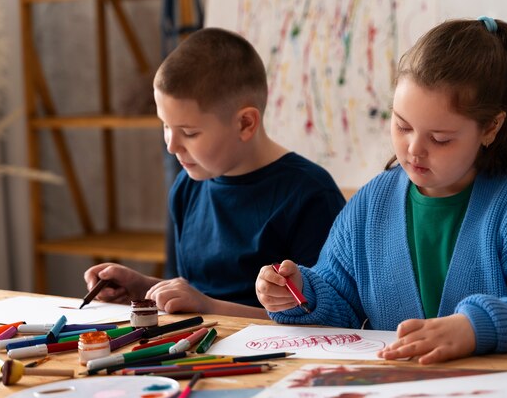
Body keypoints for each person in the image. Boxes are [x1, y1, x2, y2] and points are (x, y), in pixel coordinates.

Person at [255, 17, 507, 363]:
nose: (414, 149)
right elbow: (342, 307)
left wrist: (476, 329)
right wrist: (302, 294)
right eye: (402, 125)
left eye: (440, 139)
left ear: (491, 128)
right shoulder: (371, 205)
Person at [84, 28, 346, 318]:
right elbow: (194, 292)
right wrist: (142, 287)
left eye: (189, 132)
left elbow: (324, 319)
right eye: (166, 126)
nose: (171, 146)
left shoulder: (310, 195)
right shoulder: (186, 187)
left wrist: (209, 308)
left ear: (245, 123)